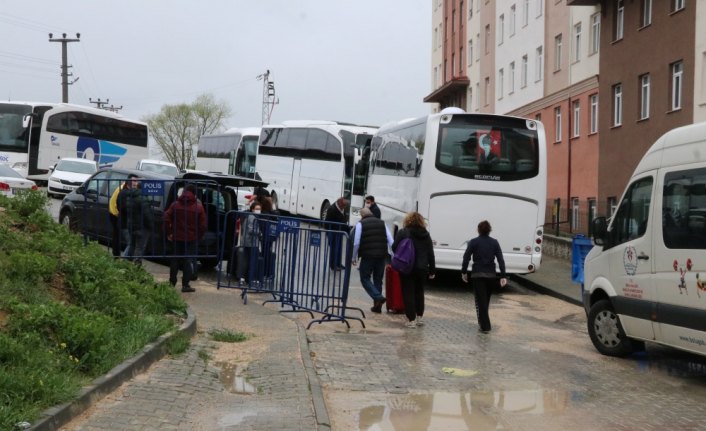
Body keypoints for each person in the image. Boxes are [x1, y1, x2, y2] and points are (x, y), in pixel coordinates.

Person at [461, 220, 507, 333]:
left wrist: (464, 271)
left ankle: (485, 326)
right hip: (491, 274)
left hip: (477, 274)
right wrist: (503, 275)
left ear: (478, 230)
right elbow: (501, 259)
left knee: (481, 300)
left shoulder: (473, 242)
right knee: (485, 300)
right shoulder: (495, 242)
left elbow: (466, 257)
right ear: (489, 230)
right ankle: (482, 322)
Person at [392, 211, 435, 328]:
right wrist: (432, 270)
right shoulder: (426, 234)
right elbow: (430, 253)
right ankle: (419, 317)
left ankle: (411, 319)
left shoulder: (403, 232)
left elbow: (394, 247)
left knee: (408, 292)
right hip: (422, 268)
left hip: (407, 267)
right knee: (419, 292)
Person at [164, 184, 207, 293]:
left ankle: (171, 283)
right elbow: (203, 225)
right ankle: (185, 285)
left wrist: (169, 232)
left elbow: (165, 218)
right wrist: (199, 236)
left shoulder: (175, 205)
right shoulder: (198, 207)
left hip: (177, 237)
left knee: (175, 260)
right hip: (191, 239)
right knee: (188, 261)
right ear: (195, 194)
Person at [351, 207, 393, 313]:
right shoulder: (382, 223)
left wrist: (353, 257)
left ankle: (378, 297)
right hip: (381, 256)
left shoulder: (360, 224)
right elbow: (390, 240)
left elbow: (356, 242)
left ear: (362, 215)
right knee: (378, 280)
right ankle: (377, 307)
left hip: (367, 255)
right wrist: (393, 255)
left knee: (365, 278)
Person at [117, 174, 153, 265]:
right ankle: (136, 265)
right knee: (139, 247)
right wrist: (150, 226)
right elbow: (147, 215)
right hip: (141, 226)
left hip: (131, 225)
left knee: (132, 245)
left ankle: (126, 264)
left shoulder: (130, 196)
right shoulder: (142, 198)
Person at [238, 201, 262, 285]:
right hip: (251, 242)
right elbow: (251, 230)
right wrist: (259, 233)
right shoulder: (252, 217)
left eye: (259, 209)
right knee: (251, 261)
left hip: (246, 241)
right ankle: (249, 278)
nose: (259, 210)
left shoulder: (248, 216)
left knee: (246, 260)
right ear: (252, 209)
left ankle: (243, 278)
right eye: (257, 209)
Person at [324, 197, 349, 270]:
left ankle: (338, 263)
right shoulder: (332, 209)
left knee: (339, 248)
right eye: (343, 206)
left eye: (345, 206)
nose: (344, 208)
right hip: (332, 231)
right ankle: (333, 265)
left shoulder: (343, 207)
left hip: (339, 231)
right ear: (339, 203)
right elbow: (327, 223)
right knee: (333, 249)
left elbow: (344, 219)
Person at [108, 180, 126, 257]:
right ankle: (116, 254)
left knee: (116, 235)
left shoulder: (123, 187)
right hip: (115, 213)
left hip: (113, 212)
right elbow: (118, 203)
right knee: (117, 235)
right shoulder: (123, 189)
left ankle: (116, 254)